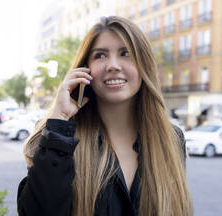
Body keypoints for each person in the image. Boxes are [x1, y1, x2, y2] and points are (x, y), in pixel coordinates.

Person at [17, 16, 193, 216]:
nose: (113, 65)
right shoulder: (57, 139)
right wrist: (59, 119)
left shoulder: (171, 138)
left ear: (144, 65)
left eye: (125, 53)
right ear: (85, 68)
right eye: (100, 56)